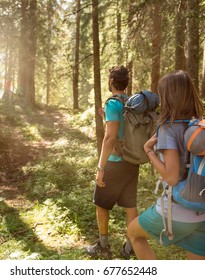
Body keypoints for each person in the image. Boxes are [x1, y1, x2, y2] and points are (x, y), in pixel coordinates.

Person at [127, 70, 205, 260]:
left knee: (133, 233)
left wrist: (149, 151)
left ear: (168, 97)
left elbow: (171, 176)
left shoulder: (168, 128)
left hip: (177, 211)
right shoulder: (202, 124)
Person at [86, 66, 139, 259]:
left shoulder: (113, 104)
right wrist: (106, 117)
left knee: (101, 203)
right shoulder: (130, 102)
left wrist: (101, 168)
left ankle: (103, 246)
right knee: (130, 205)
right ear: (125, 83)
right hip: (132, 161)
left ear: (111, 82)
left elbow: (109, 139)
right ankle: (130, 248)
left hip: (115, 162)